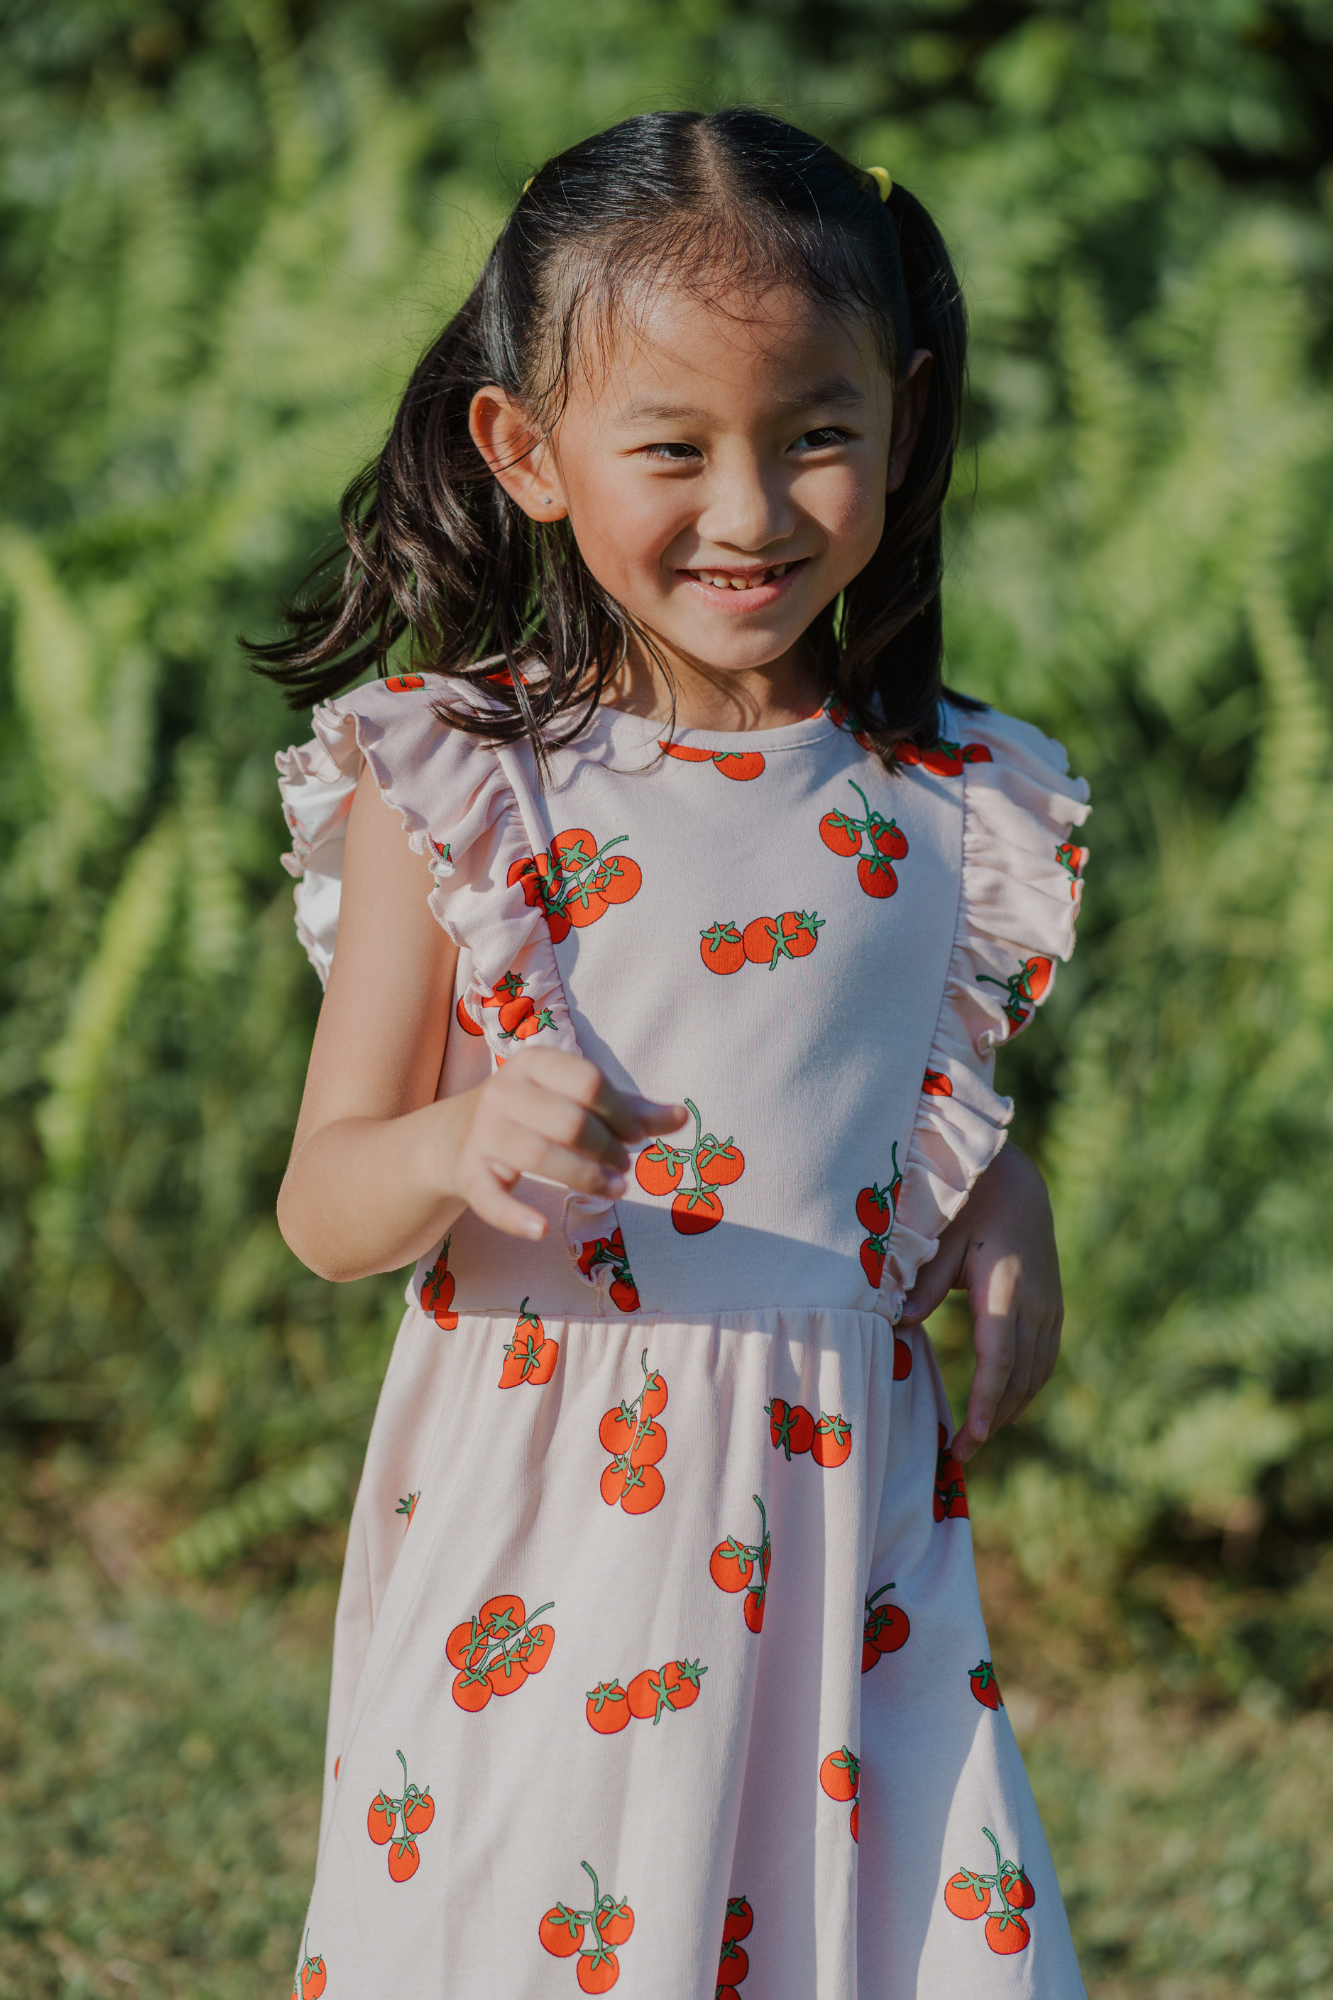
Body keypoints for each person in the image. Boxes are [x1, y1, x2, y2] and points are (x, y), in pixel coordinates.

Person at [262, 109, 1090, 1998]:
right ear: (526, 454)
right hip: (553, 1545)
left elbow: (889, 1095)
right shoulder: (467, 784)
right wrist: (460, 1144)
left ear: (906, 419)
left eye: (818, 433)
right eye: (672, 446)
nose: (751, 510)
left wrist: (994, 1177)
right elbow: (326, 1199)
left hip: (843, 1544)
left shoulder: (946, 800)